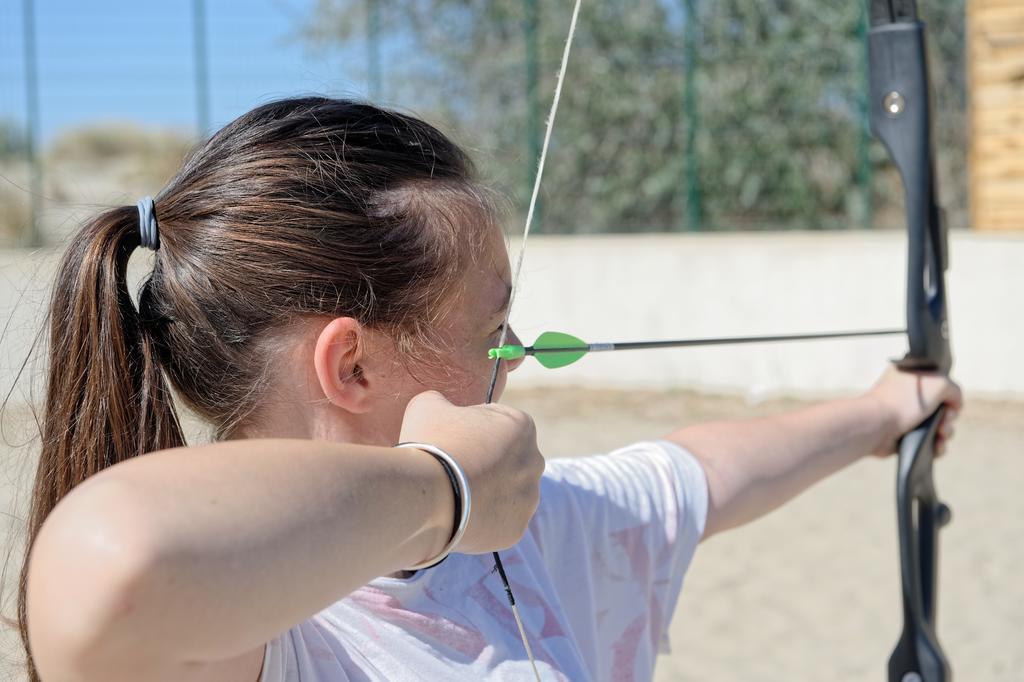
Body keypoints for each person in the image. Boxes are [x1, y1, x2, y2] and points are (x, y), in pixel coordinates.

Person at [20, 97, 961, 682]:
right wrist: (444, 488)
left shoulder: (520, 531)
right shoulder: (262, 634)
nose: (515, 358)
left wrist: (883, 411)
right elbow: (113, 561)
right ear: (350, 366)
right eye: (487, 330)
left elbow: (698, 474)